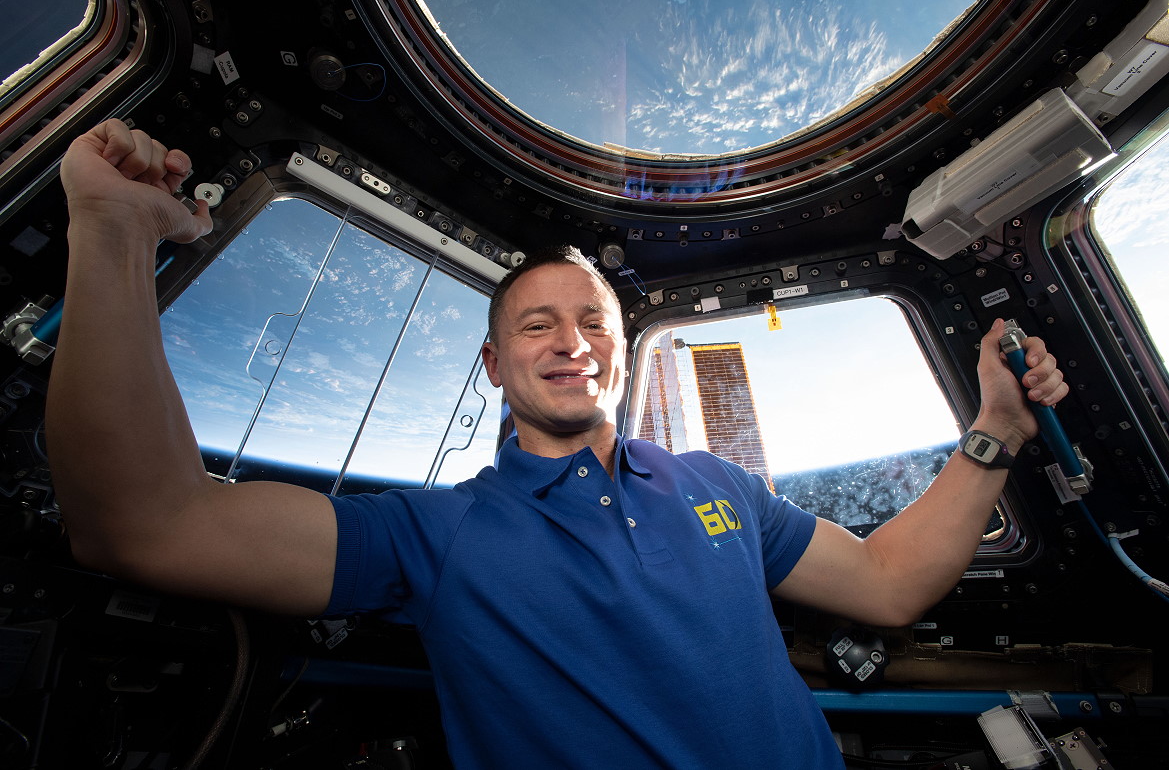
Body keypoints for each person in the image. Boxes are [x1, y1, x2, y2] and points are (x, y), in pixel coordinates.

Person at [49, 120, 1069, 769]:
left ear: (619, 354)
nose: (571, 340)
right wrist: (112, 230)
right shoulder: (432, 531)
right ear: (493, 366)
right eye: (536, 324)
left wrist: (997, 428)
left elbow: (888, 582)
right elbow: (145, 524)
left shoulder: (719, 484)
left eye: (592, 321)